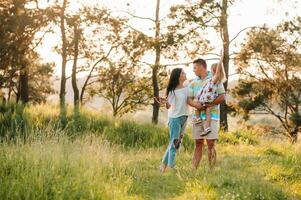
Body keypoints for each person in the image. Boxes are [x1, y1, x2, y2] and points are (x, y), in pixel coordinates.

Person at [156, 68, 201, 173]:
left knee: (177, 143)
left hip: (184, 118)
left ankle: (163, 166)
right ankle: (172, 167)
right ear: (178, 76)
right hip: (175, 119)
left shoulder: (187, 88)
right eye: (183, 73)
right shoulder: (172, 90)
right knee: (174, 143)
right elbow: (168, 106)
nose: (185, 74)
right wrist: (165, 101)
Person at [188, 58, 225, 169]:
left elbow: (222, 97)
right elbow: (189, 99)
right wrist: (196, 105)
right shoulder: (193, 82)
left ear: (201, 67)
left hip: (211, 116)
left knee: (210, 143)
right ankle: (193, 169)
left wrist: (208, 104)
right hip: (197, 117)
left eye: (195, 68)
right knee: (198, 142)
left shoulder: (215, 78)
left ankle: (211, 170)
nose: (193, 70)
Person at [193, 56, 226, 136]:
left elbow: (218, 72)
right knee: (208, 111)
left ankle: (198, 119)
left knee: (197, 104)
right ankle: (207, 128)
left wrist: (220, 61)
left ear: (214, 71)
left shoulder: (214, 78)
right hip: (210, 99)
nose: (210, 71)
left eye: (211, 69)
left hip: (206, 98)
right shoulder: (218, 80)